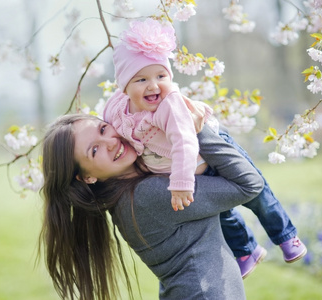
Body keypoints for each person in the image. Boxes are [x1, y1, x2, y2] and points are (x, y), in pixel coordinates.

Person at [103, 18, 307, 278]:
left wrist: (180, 183)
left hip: (204, 158)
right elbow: (108, 122)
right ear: (124, 87)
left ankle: (286, 236)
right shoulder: (117, 107)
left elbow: (185, 143)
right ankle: (247, 251)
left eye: (161, 76)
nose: (154, 85)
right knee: (221, 212)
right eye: (141, 79)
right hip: (194, 172)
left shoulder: (169, 105)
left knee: (257, 195)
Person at [40, 113, 265, 300]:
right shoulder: (148, 195)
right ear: (87, 177)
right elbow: (248, 184)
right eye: (94, 150)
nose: (111, 142)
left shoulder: (125, 197)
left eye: (103, 129)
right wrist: (191, 125)